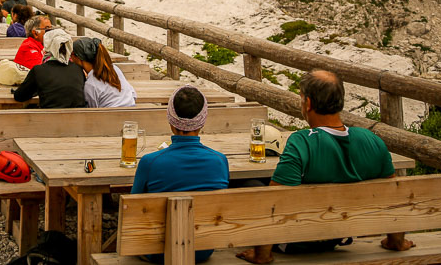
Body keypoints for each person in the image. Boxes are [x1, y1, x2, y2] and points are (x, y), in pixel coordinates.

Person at [236, 70, 413, 264]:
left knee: (249, 184)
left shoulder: (301, 142)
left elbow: (275, 201)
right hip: (340, 237)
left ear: (308, 103)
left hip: (297, 242)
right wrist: (396, 241)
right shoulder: (372, 141)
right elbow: (394, 196)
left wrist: (262, 255)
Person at [132, 86, 229, 264]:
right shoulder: (220, 161)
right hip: (202, 250)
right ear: (203, 121)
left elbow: (133, 210)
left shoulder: (150, 162)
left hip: (157, 252)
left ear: (170, 119)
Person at [12, 28, 84, 108]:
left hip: (49, 119)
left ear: (47, 45)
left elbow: (19, 96)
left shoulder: (39, 70)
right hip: (77, 119)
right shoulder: (78, 69)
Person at [72, 37, 137, 107]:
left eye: (71, 55)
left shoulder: (90, 84)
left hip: (108, 116)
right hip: (131, 112)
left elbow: (91, 111)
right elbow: (133, 94)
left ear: (78, 58)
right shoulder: (115, 69)